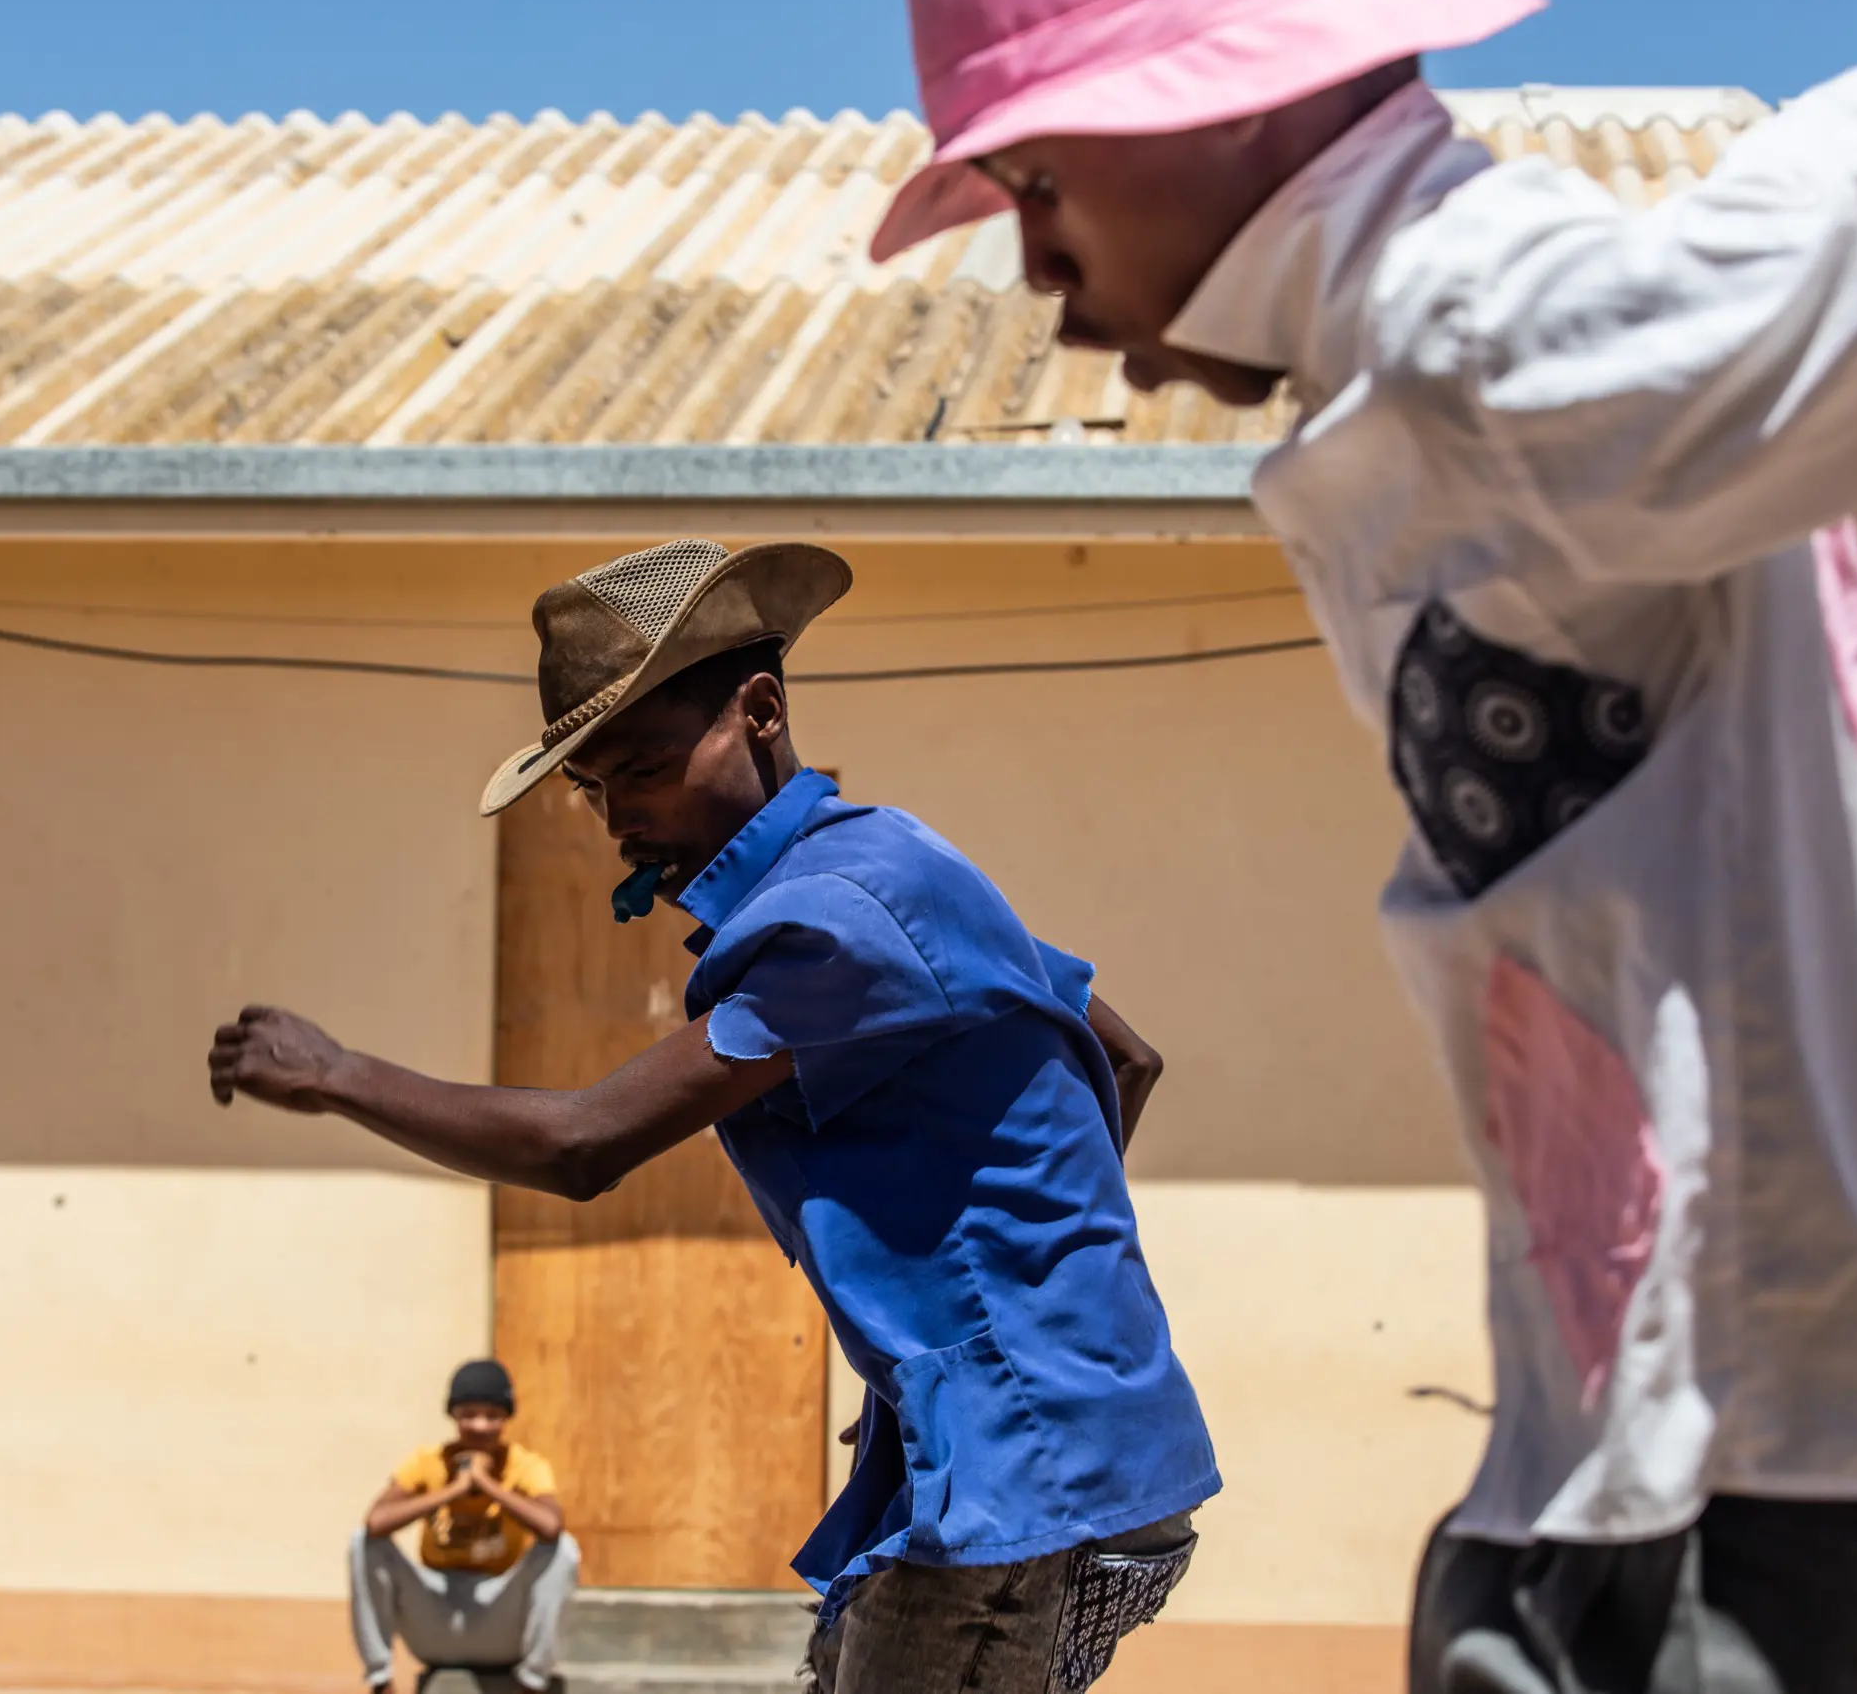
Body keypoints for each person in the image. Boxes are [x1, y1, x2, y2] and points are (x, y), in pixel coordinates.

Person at [866, 0, 1857, 1688]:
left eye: (1042, 186)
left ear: (1219, 108)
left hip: (1807, 1460)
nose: (1040, 280)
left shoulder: (1474, 321)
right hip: (1650, 1439)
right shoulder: (1422, 351)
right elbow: (1764, 251)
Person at [213, 538, 1217, 1694]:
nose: (613, 819)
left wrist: (338, 1073)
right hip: (1057, 1440)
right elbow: (1123, 1058)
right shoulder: (901, 862)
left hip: (1027, 1472)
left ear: (758, 708)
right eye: (589, 789)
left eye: (639, 769)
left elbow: (583, 1143)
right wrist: (1017, 1323)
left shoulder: (831, 917)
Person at [349, 1359, 578, 1693]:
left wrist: (488, 1485)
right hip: (436, 1619)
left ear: (506, 1418)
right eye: (468, 1414)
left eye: (492, 1415)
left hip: (498, 1620)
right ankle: (381, 1680)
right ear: (453, 1416)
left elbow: (550, 1526)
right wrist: (453, 1490)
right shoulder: (426, 1462)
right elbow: (375, 1522)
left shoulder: (527, 1465)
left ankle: (532, 1682)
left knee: (563, 1551)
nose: (480, 1426)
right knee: (363, 1544)